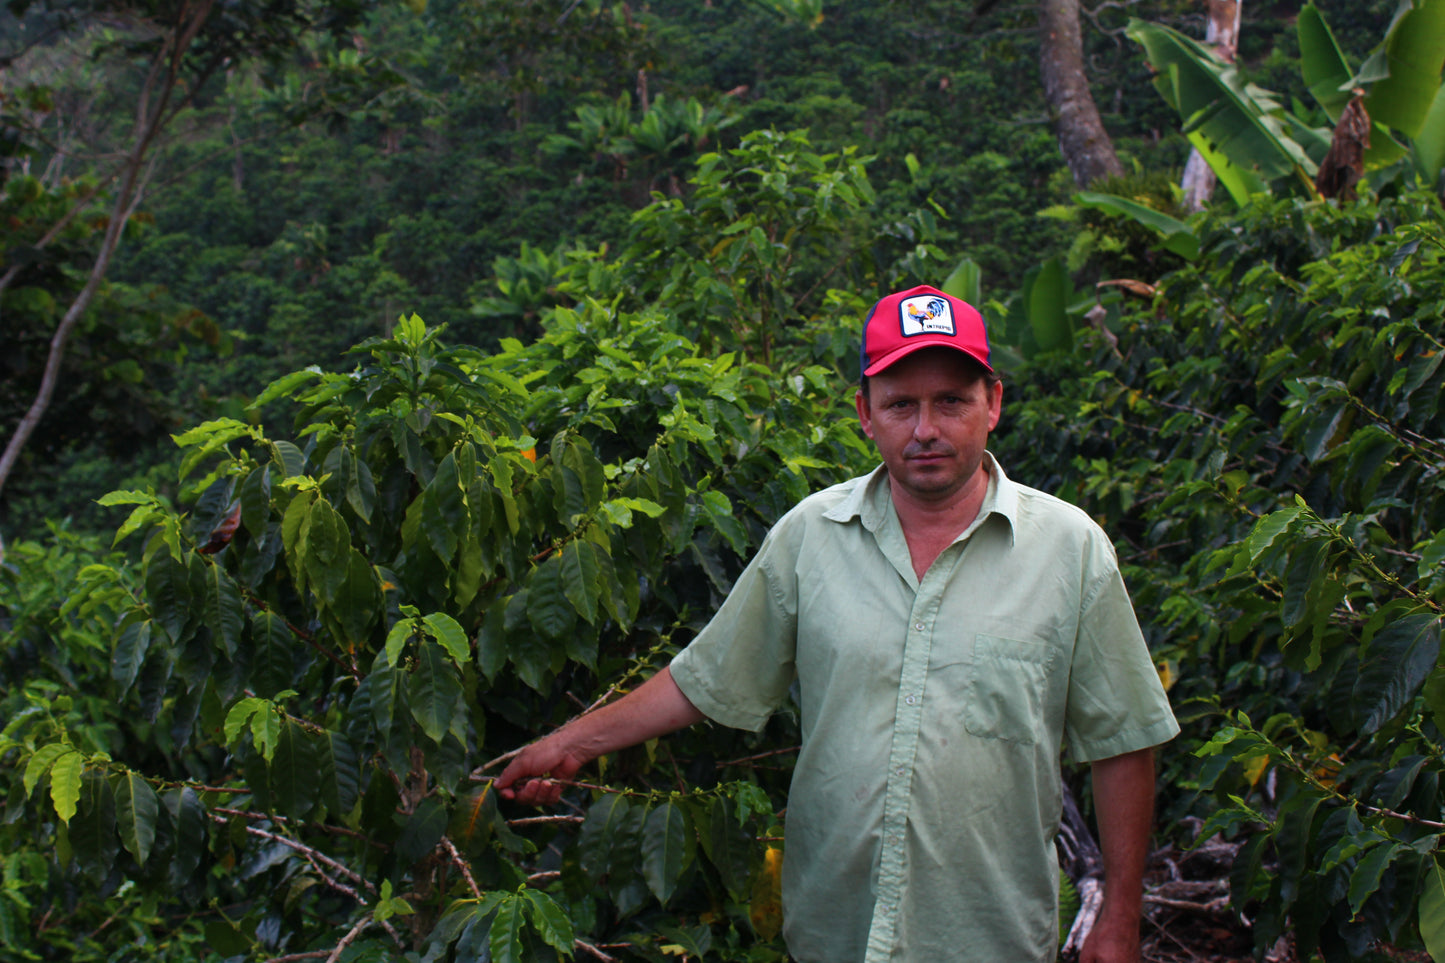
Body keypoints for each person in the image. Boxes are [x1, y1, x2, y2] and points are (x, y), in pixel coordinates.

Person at [497, 285, 1179, 963]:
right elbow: (705, 678)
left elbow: (1123, 738)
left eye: (951, 401)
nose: (925, 429)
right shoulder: (810, 537)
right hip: (833, 931)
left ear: (992, 403)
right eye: (901, 404)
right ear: (864, 413)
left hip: (989, 935)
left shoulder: (1069, 549)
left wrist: (1119, 914)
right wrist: (576, 741)